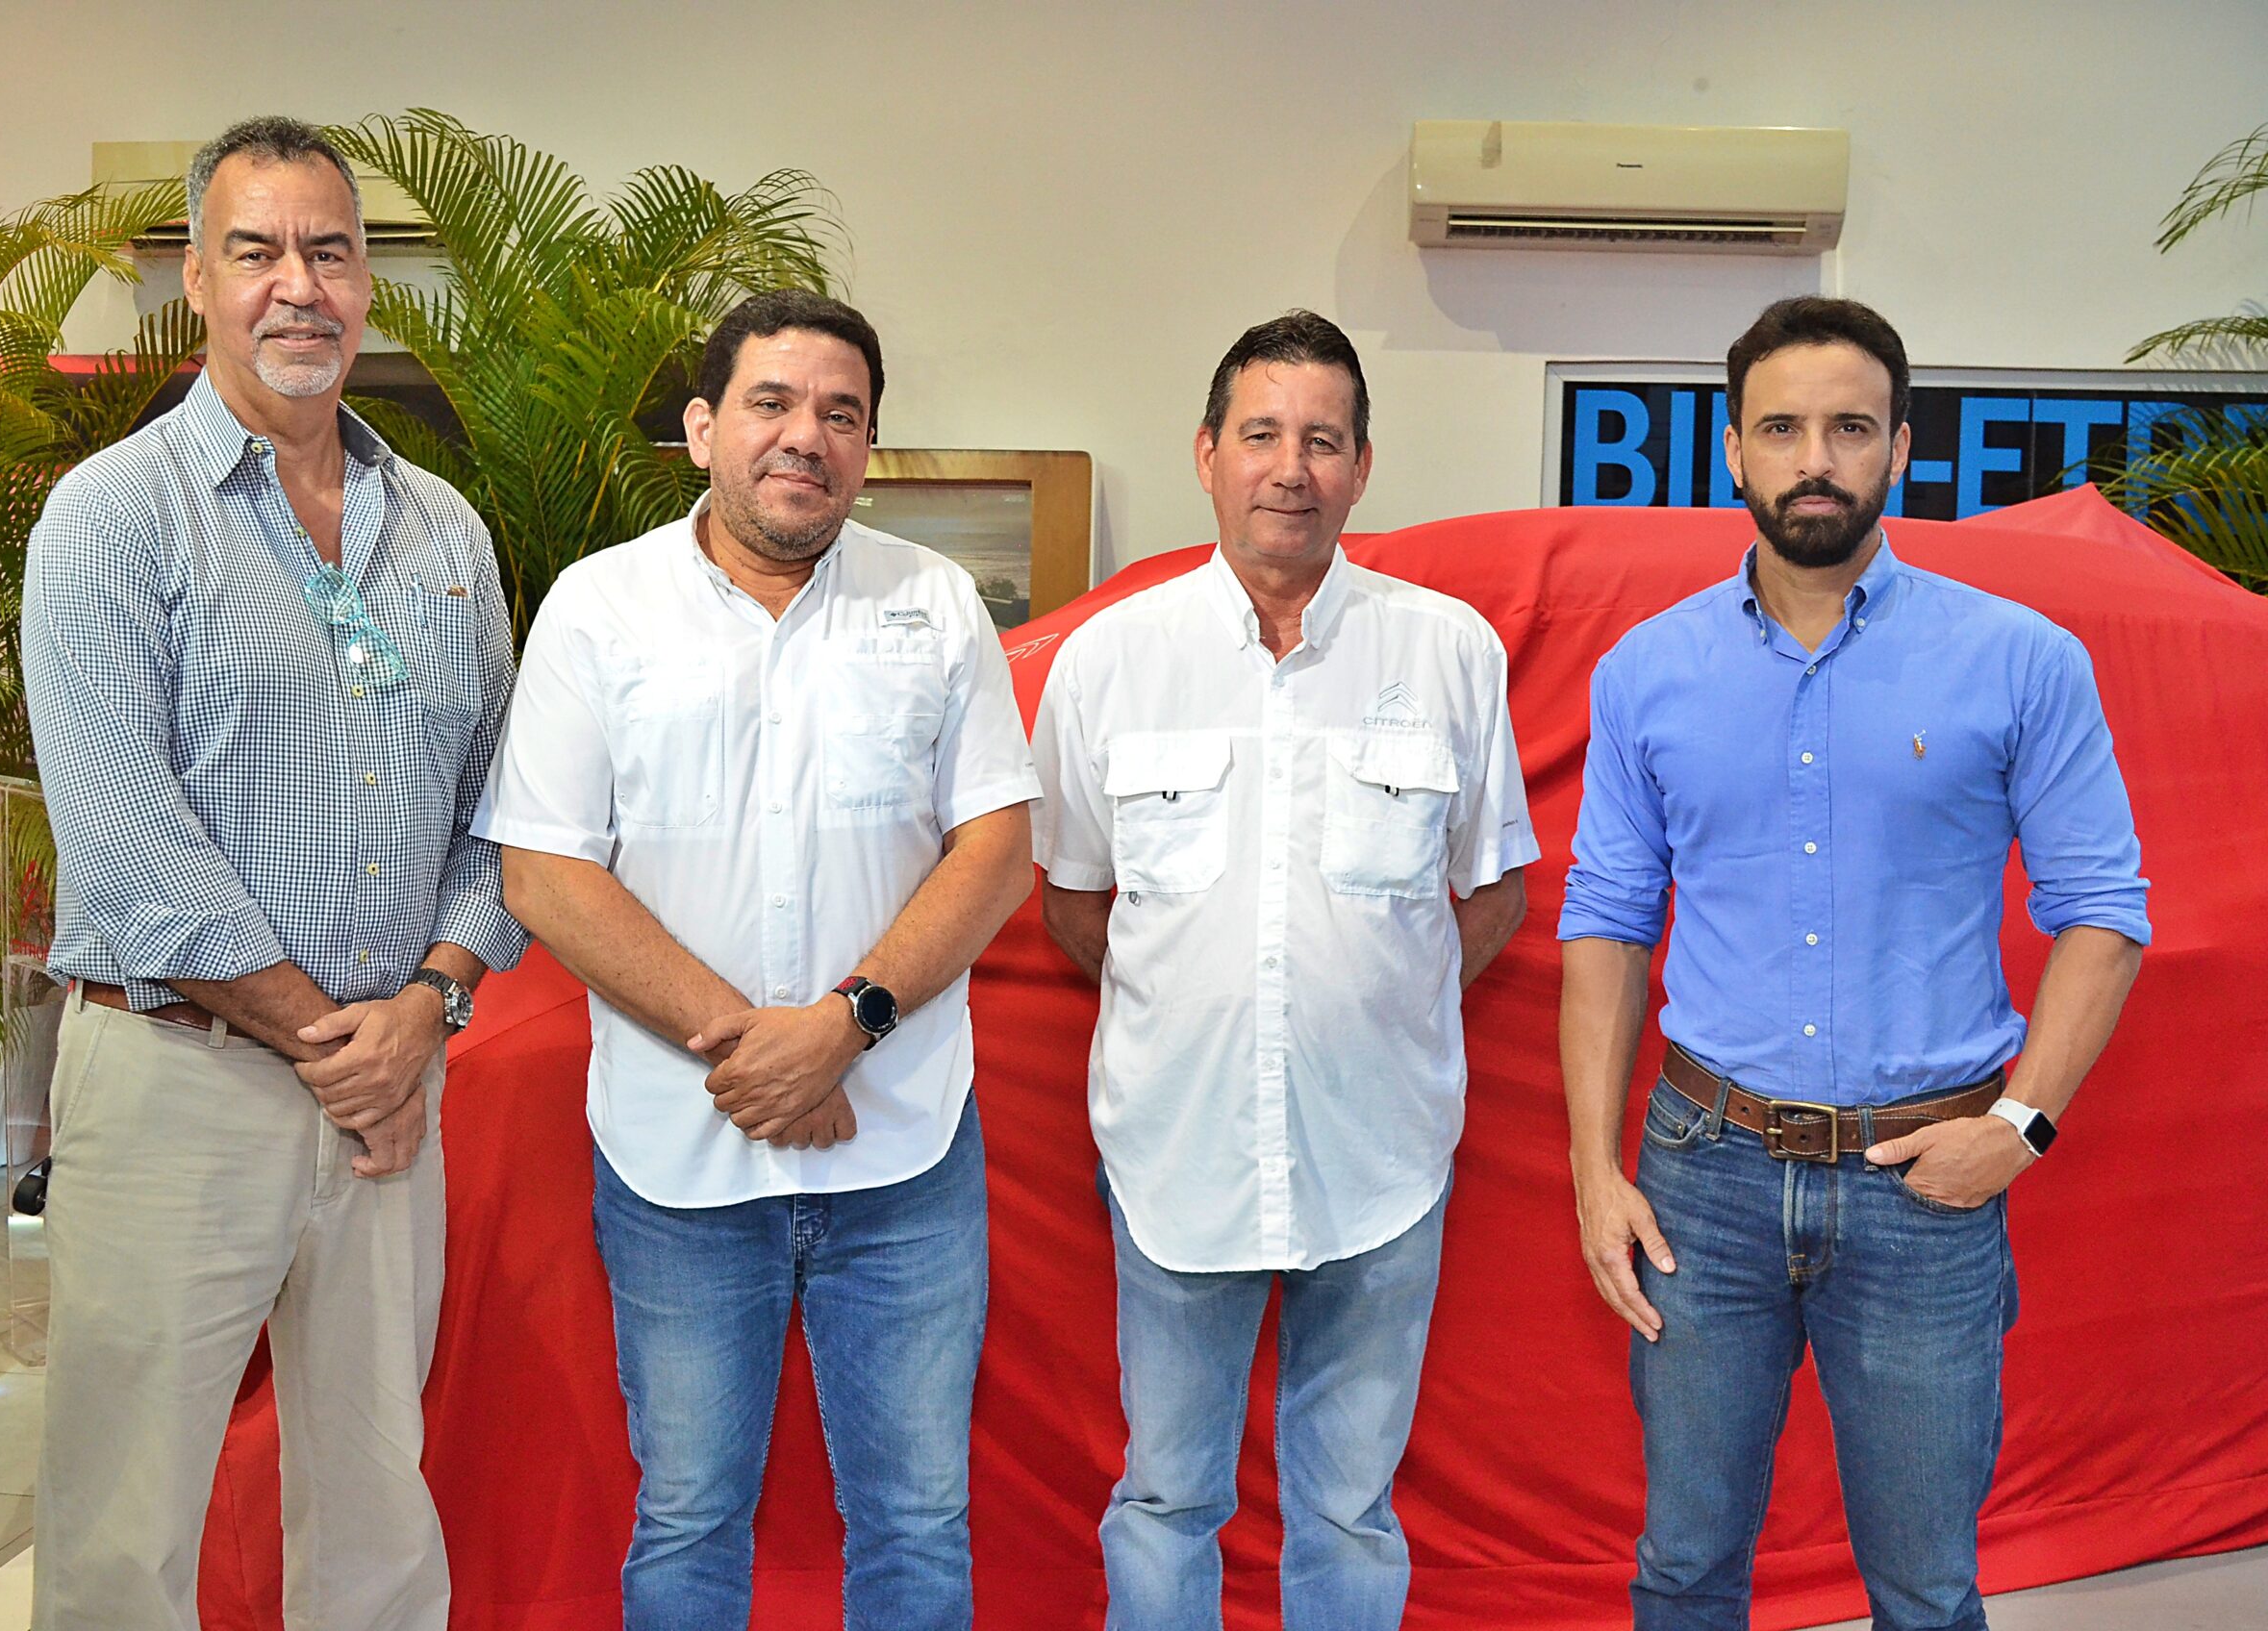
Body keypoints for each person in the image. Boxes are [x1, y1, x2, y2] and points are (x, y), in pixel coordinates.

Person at [1559, 296, 2150, 1631]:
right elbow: (1607, 922)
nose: (1814, 458)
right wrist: (1595, 1170)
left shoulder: (2020, 661)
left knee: (1927, 1590)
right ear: (1732, 450)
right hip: (1702, 1182)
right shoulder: (1647, 671)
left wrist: (2020, 1127)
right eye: (1781, 428)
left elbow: (2104, 913)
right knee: (1683, 1567)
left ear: (1900, 448)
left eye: (1849, 428)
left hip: (1926, 1187)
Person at [23, 115, 526, 1630]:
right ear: (196, 280)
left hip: (390, 1091)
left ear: (368, 285)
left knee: (379, 1507)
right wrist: (339, 1046)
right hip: (180, 1080)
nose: (297, 285)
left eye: (330, 251)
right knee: (126, 1529)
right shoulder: (113, 518)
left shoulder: (441, 531)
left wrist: (424, 1011)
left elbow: (503, 807)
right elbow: (128, 842)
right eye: (256, 251)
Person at [476, 288, 1038, 1630]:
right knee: (687, 1515)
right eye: (772, 403)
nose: (806, 436)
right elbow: (543, 870)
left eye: (841, 413)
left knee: (917, 1520)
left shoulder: (934, 602)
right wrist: (759, 1049)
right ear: (701, 428)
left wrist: (842, 1027)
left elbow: (998, 847)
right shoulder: (599, 610)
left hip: (901, 1154)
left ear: (868, 445)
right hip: (678, 1157)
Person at [1031, 310, 1536, 1630]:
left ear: (1363, 466)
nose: (1290, 468)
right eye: (1261, 435)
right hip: (1175, 1148)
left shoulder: (1449, 650)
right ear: (1207, 454)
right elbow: (1075, 902)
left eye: (1323, 440)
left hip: (1382, 1152)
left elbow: (1493, 888)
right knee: (1164, 1496)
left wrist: (1380, 1000)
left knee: (1352, 1512)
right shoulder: (1109, 660)